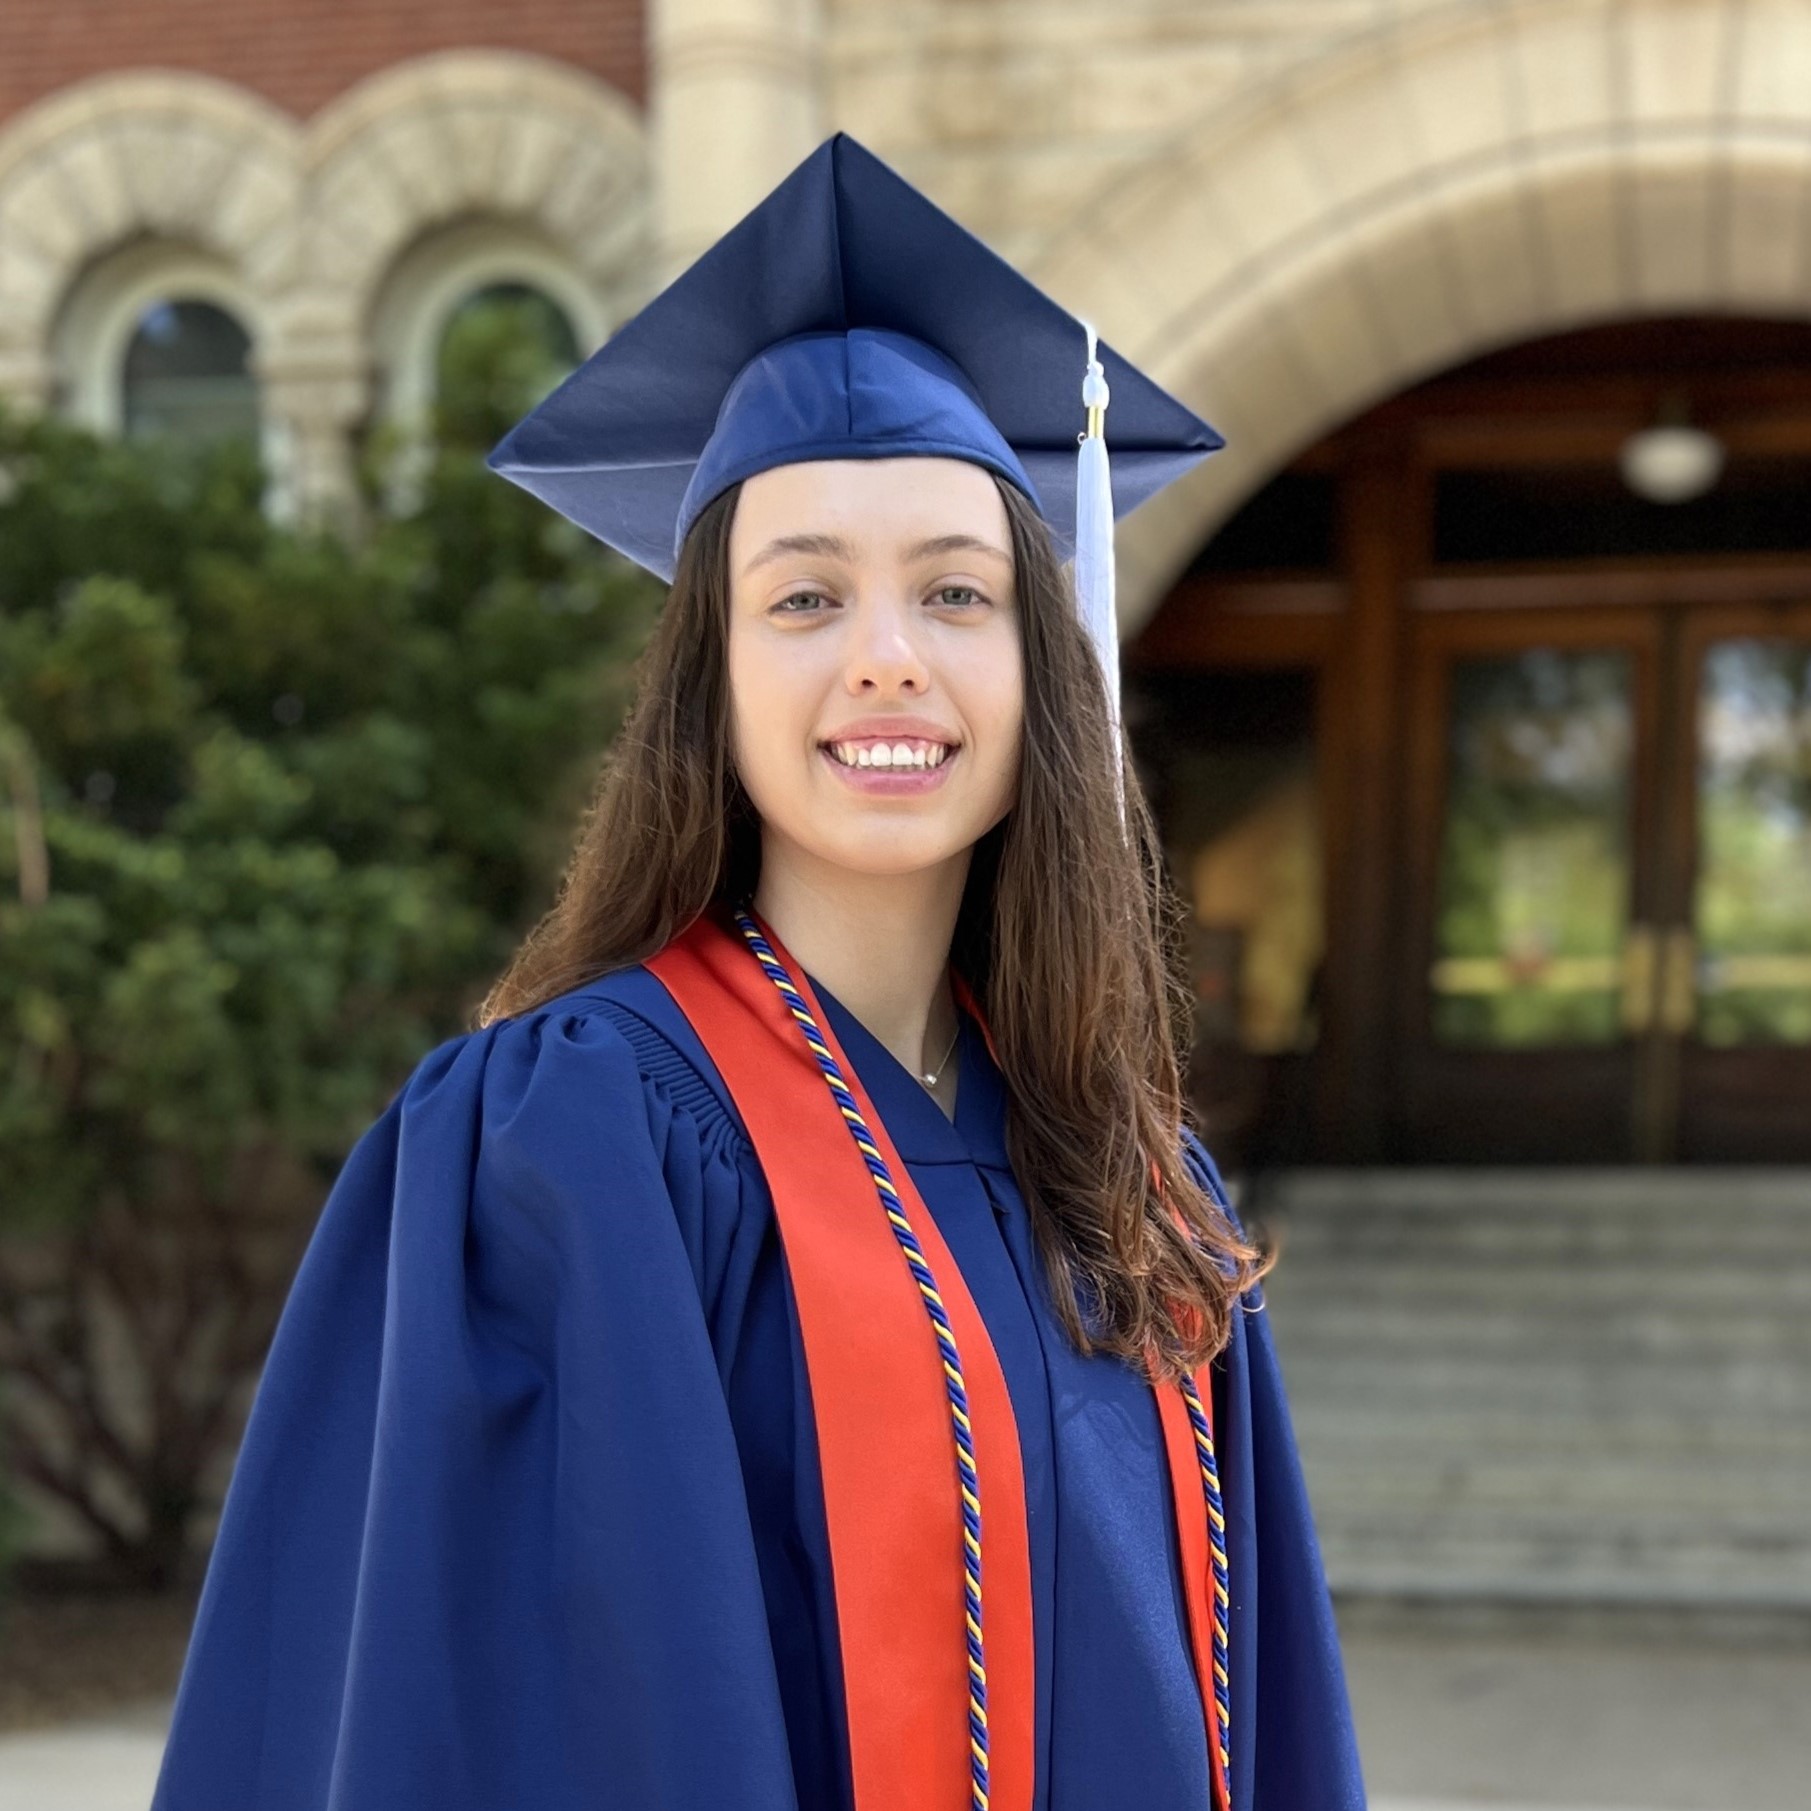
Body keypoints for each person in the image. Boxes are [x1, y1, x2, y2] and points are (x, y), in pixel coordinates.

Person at [151, 133, 1365, 1811]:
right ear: (709, 684)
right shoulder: (575, 1142)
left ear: (1042, 670)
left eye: (956, 591)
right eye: (803, 598)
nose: (887, 657)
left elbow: (1268, 1718)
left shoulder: (1137, 1188)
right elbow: (491, 1722)